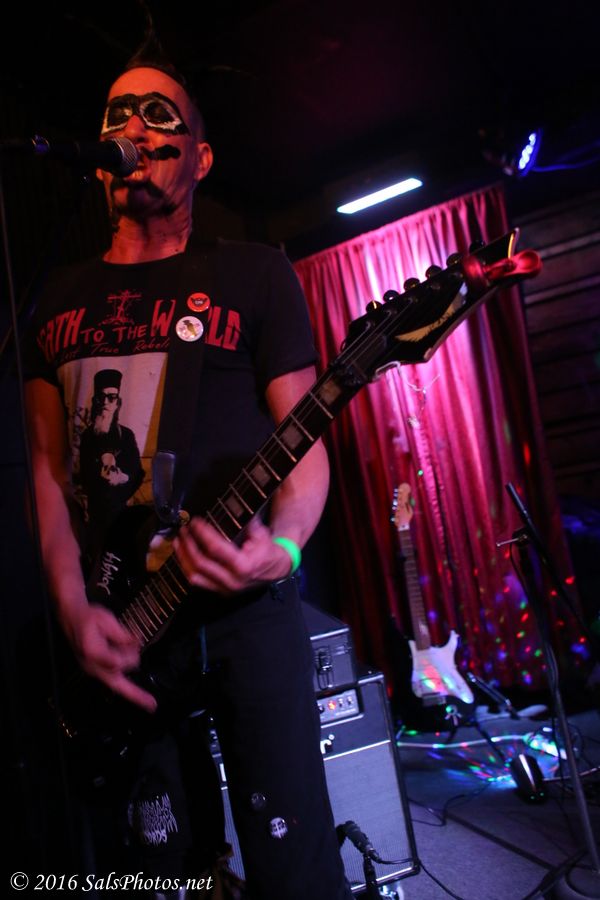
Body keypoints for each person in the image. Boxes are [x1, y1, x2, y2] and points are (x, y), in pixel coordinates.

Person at [23, 49, 352, 900]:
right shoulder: (54, 300)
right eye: (117, 114)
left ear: (199, 158)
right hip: (123, 628)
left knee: (294, 866)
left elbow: (305, 439)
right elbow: (48, 475)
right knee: (160, 875)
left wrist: (283, 547)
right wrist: (72, 610)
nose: (132, 127)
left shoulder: (252, 272)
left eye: (158, 115)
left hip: (246, 613)